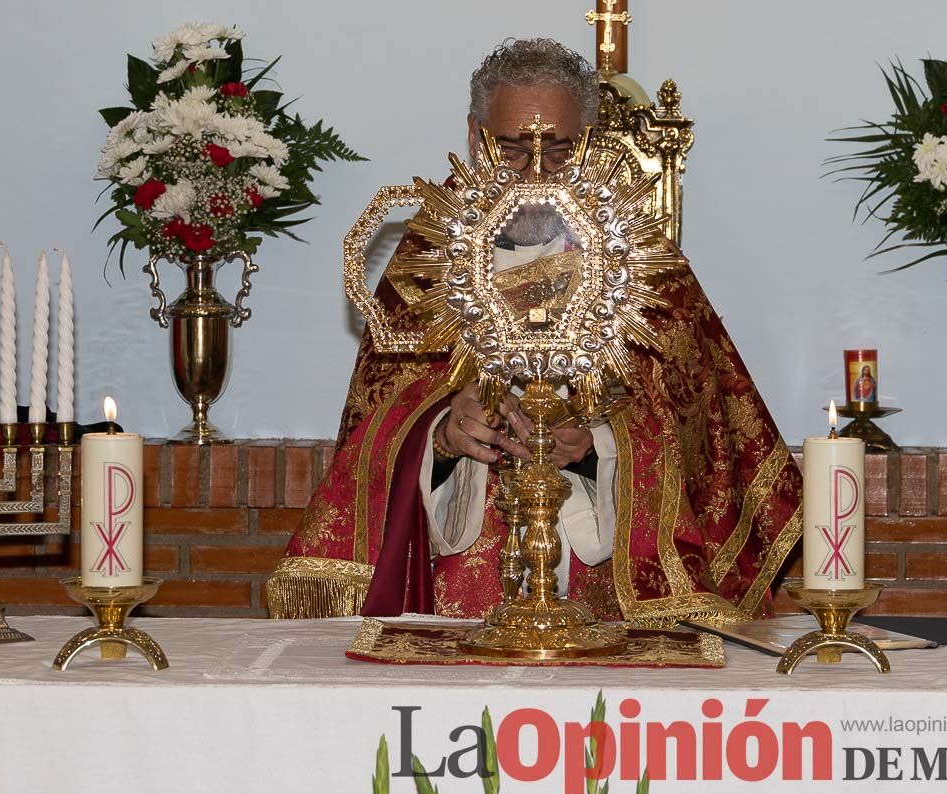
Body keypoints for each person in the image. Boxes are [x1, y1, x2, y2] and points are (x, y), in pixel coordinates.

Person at [268, 39, 802, 626]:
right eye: (515, 150)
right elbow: (374, 424)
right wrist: (443, 432)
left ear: (592, 143)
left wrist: (599, 440)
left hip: (607, 606)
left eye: (561, 150)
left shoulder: (646, 262)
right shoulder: (427, 261)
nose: (537, 174)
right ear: (476, 137)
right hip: (454, 600)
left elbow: (705, 439)